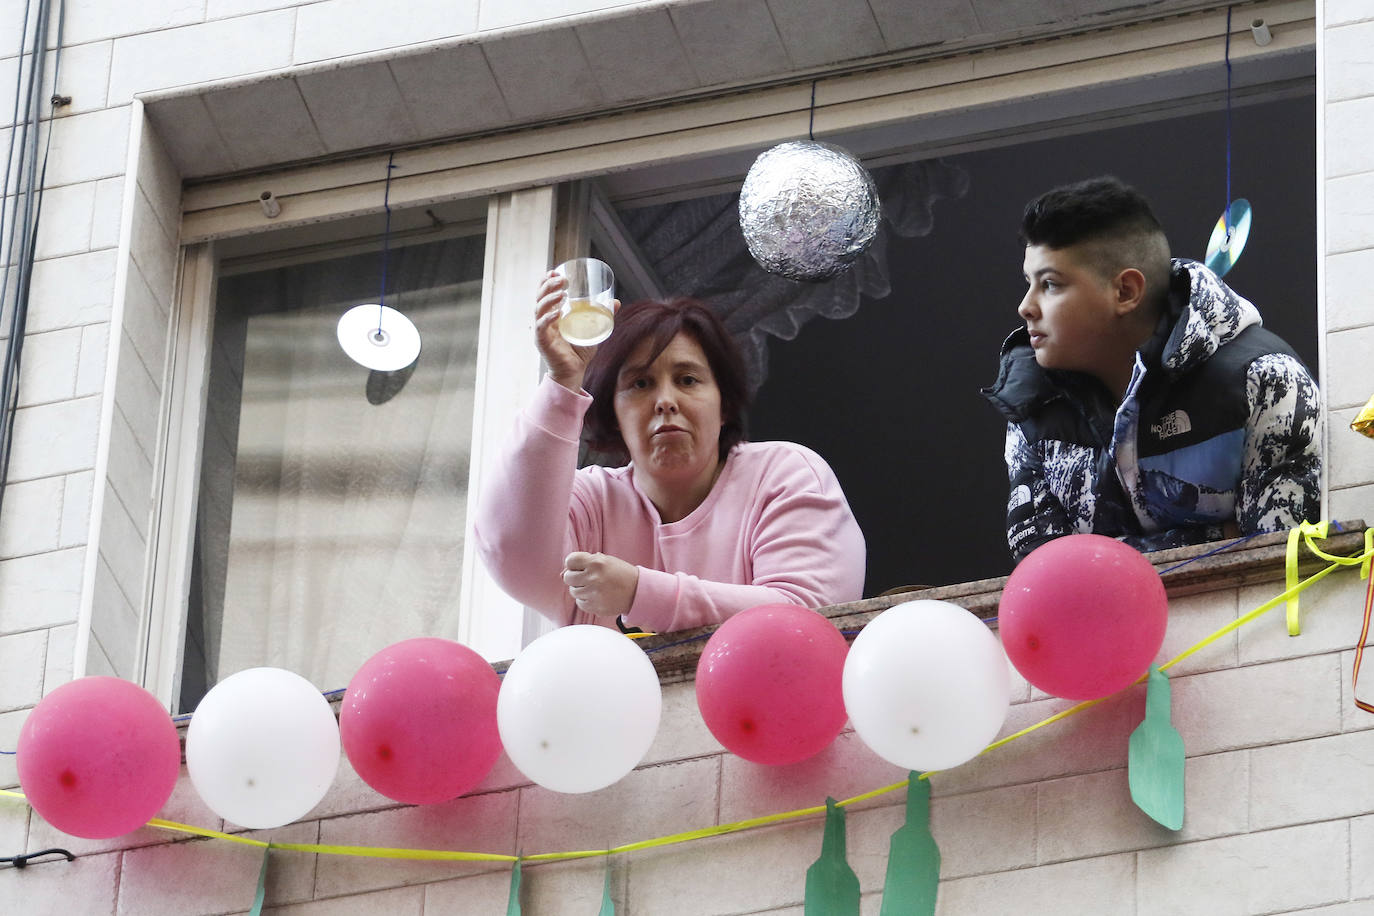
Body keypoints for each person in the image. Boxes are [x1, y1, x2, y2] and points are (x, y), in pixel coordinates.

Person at [472, 272, 867, 631]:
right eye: (641, 384)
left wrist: (640, 593)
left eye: (688, 379)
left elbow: (808, 618)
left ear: (724, 403)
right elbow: (509, 552)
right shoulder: (589, 502)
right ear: (612, 411)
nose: (665, 400)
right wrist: (562, 384)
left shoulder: (783, 474)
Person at [982, 176, 1322, 562]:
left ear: (1125, 291)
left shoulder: (1264, 381)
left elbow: (1277, 559)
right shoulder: (1032, 410)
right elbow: (1045, 574)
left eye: (1051, 284)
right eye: (1029, 283)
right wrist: (1215, 536)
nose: (1026, 306)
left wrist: (1101, 559)